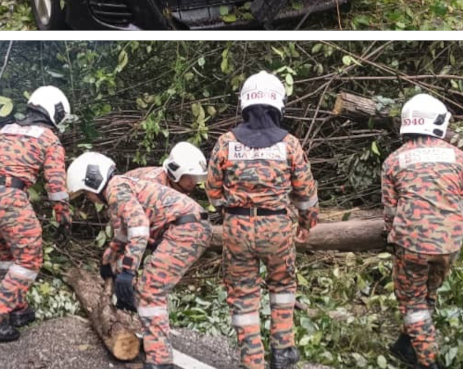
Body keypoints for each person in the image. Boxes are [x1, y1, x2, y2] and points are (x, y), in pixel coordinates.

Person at [206, 71, 319, 369]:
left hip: (237, 229)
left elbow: (213, 193)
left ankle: (252, 360)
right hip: (277, 228)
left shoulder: (225, 143)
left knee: (242, 294)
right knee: (282, 288)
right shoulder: (290, 144)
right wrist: (307, 223)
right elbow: (306, 193)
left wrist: (228, 209)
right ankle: (282, 353)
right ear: (277, 104)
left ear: (245, 103)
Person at [67, 151, 211, 369]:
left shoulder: (115, 188)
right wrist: (110, 259)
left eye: (87, 193)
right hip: (188, 228)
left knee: (151, 291)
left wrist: (127, 272)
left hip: (186, 229)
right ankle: (158, 351)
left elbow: (140, 227)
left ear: (93, 180)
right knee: (149, 290)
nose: (89, 198)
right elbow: (124, 233)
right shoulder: (122, 185)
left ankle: (160, 361)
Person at [0, 86, 73, 342]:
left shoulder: (6, 130)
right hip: (9, 198)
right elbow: (56, 186)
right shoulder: (49, 140)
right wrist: (63, 217)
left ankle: (16, 309)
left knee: (7, 255)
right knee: (29, 259)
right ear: (56, 112)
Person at [382, 93, 463, 369]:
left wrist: (394, 237)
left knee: (412, 304)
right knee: (427, 295)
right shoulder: (459, 157)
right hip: (449, 243)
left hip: (412, 243)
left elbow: (390, 211)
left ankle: (428, 362)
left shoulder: (393, 160)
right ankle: (404, 346)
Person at [126, 141, 207, 194]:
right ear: (176, 173)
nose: (193, 182)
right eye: (190, 177)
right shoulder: (152, 188)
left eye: (195, 177)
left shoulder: (179, 187)